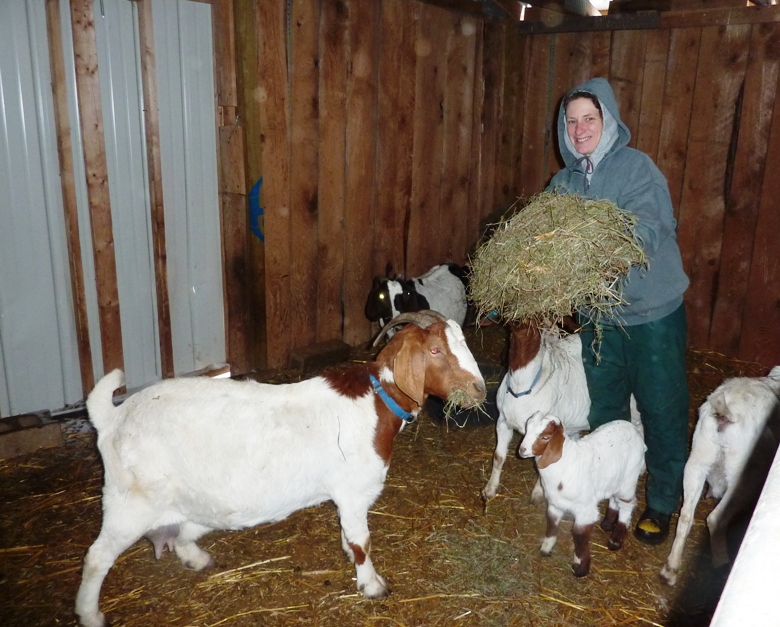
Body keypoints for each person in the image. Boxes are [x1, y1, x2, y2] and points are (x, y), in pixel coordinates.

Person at [547, 77, 690, 545]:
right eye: (572, 121)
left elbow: (652, 225)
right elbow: (544, 242)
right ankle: (615, 494)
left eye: (590, 118)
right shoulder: (562, 185)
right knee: (607, 409)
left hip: (651, 312)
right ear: (563, 130)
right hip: (597, 317)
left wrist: (610, 253)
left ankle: (664, 501)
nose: (580, 128)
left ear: (608, 120)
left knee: (661, 406)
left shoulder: (636, 168)